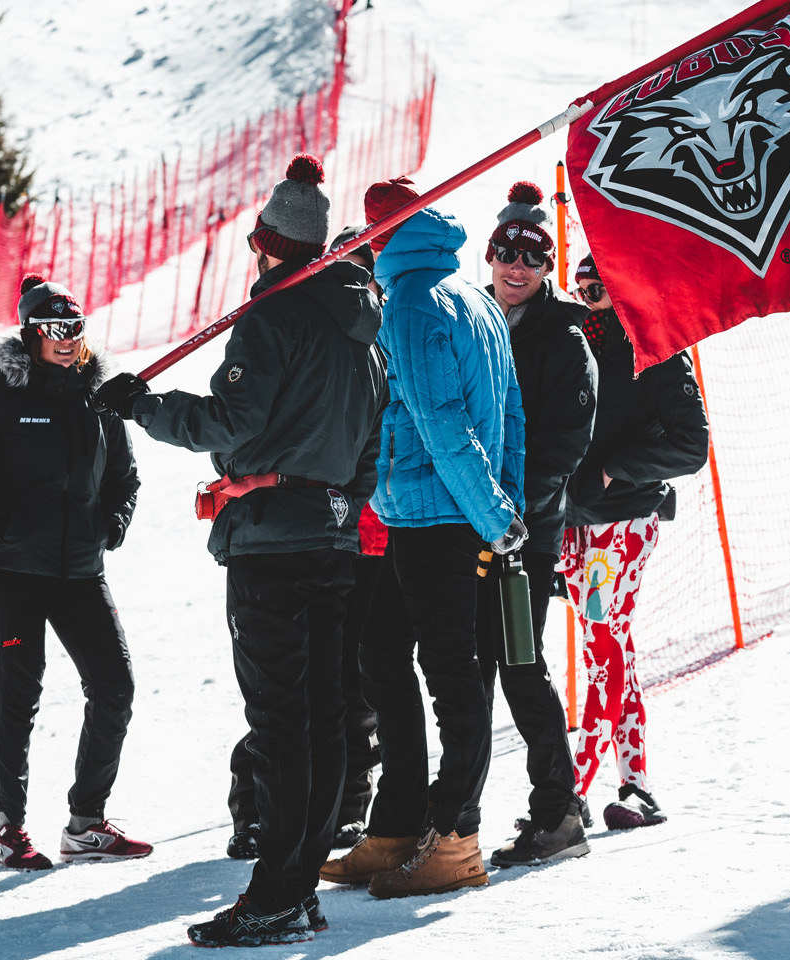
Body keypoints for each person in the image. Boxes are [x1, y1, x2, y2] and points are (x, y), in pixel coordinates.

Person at [93, 155, 386, 947]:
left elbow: (227, 422)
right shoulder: (363, 325)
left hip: (275, 547)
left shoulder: (277, 316)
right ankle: (297, 888)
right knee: (322, 719)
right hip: (327, 539)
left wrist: (138, 404)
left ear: (264, 244)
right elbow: (370, 445)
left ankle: (278, 895)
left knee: (286, 723)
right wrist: (334, 499)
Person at [320, 176, 526, 899]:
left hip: (442, 515)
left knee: (451, 674)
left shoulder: (410, 300)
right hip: (420, 513)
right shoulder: (467, 292)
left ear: (382, 234)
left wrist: (495, 516)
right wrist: (507, 497)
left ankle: (456, 835)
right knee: (380, 655)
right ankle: (399, 823)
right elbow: (513, 412)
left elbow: (445, 424)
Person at [0, 275, 151, 871]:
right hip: (12, 566)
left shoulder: (98, 399)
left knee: (115, 686)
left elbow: (125, 478)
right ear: (30, 333)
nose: (65, 339)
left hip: (80, 566)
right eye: (53, 329)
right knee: (21, 685)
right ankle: (9, 828)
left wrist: (110, 527)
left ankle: (85, 823)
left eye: (74, 328)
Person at [225, 226, 384, 860]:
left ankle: (300, 852)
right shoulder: (354, 333)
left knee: (309, 700)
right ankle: (280, 831)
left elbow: (242, 424)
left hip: (346, 537)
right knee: (325, 697)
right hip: (347, 533)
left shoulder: (362, 332)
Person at [562, 253, 709, 830]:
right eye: (583, 289)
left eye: (600, 290)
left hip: (623, 522)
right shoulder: (578, 345)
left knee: (601, 646)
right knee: (612, 644)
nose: (590, 299)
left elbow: (690, 446)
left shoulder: (656, 346)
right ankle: (638, 785)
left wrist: (612, 472)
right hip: (576, 523)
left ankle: (573, 786)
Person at [478, 181, 597, 868]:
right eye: (506, 253)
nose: (517, 267)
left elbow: (562, 445)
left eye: (532, 257)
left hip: (525, 532)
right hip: (472, 519)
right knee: (474, 662)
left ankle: (558, 811)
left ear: (548, 266)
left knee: (519, 663)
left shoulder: (564, 337)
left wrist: (513, 512)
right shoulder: (478, 318)